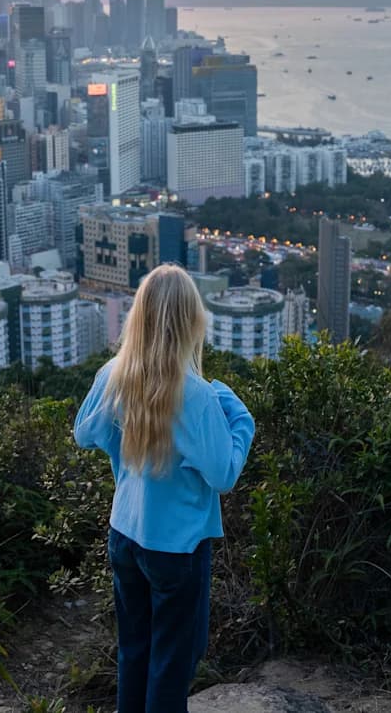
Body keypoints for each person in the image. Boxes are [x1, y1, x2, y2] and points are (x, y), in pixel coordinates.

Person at [74, 263, 257, 713]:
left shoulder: (114, 375)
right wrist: (240, 419)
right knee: (172, 665)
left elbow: (83, 432)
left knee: (134, 651)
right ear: (190, 319)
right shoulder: (196, 396)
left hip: (125, 534)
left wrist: (121, 444)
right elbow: (224, 474)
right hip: (175, 548)